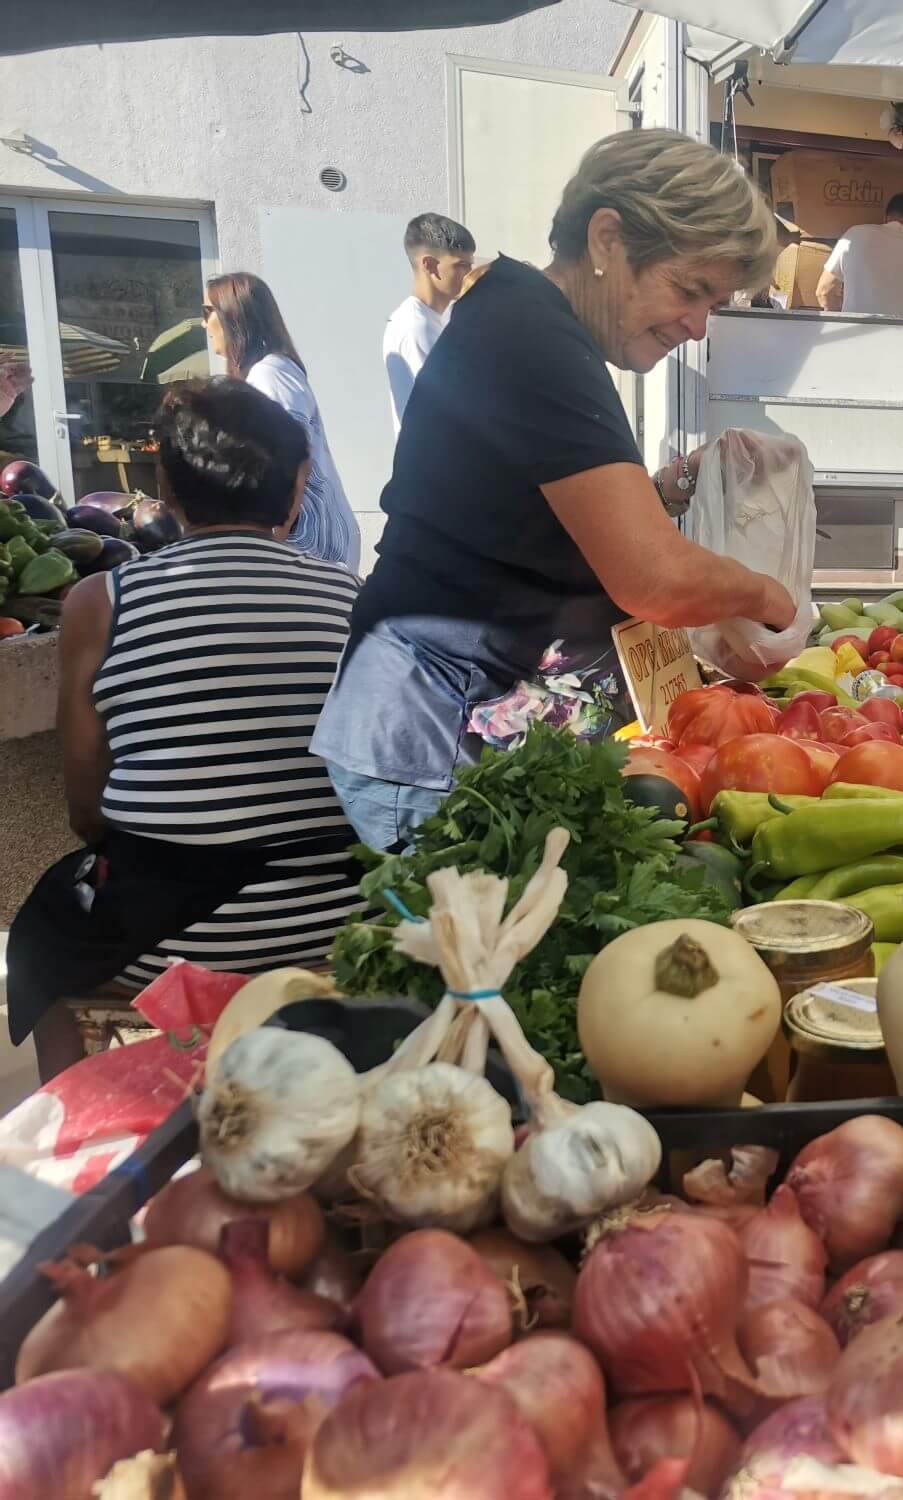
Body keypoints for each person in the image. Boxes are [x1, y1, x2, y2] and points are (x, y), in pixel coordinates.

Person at [312, 129, 796, 850]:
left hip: (454, 732)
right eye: (691, 290)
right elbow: (655, 582)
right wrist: (768, 594)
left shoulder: (524, 321)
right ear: (607, 239)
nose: (697, 327)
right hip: (445, 744)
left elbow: (521, 511)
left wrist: (659, 493)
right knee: (491, 958)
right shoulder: (535, 338)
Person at [5, 378, 363, 1081]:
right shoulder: (351, 596)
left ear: (163, 487)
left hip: (176, 935)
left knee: (42, 935)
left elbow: (87, 803)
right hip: (336, 920)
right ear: (298, 488)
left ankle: (78, 1108)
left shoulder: (103, 600)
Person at [203, 272, 361, 571]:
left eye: (206, 312)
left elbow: (292, 462)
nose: (203, 324)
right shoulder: (270, 372)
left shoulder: (270, 374)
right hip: (307, 549)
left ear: (234, 315)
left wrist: (273, 537)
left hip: (310, 551)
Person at [384, 212, 476, 437]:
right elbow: (448, 409)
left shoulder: (439, 318)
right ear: (430, 265)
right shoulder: (416, 326)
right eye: (461, 265)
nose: (469, 274)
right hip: (436, 465)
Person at [815, 194, 903, 316]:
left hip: (855, 340)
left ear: (885, 217)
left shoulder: (853, 236)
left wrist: (839, 321)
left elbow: (824, 290)